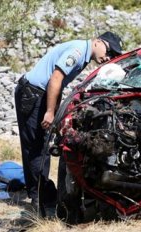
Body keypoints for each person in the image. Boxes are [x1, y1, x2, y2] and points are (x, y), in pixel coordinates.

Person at [14, 32, 123, 218]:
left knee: (40, 147)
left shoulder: (84, 54)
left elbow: (59, 85)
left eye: (113, 55)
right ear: (97, 41)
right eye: (109, 50)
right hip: (33, 94)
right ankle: (39, 199)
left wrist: (56, 112)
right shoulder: (79, 52)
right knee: (36, 148)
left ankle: (42, 192)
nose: (108, 57)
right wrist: (50, 111)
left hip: (39, 94)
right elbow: (55, 79)